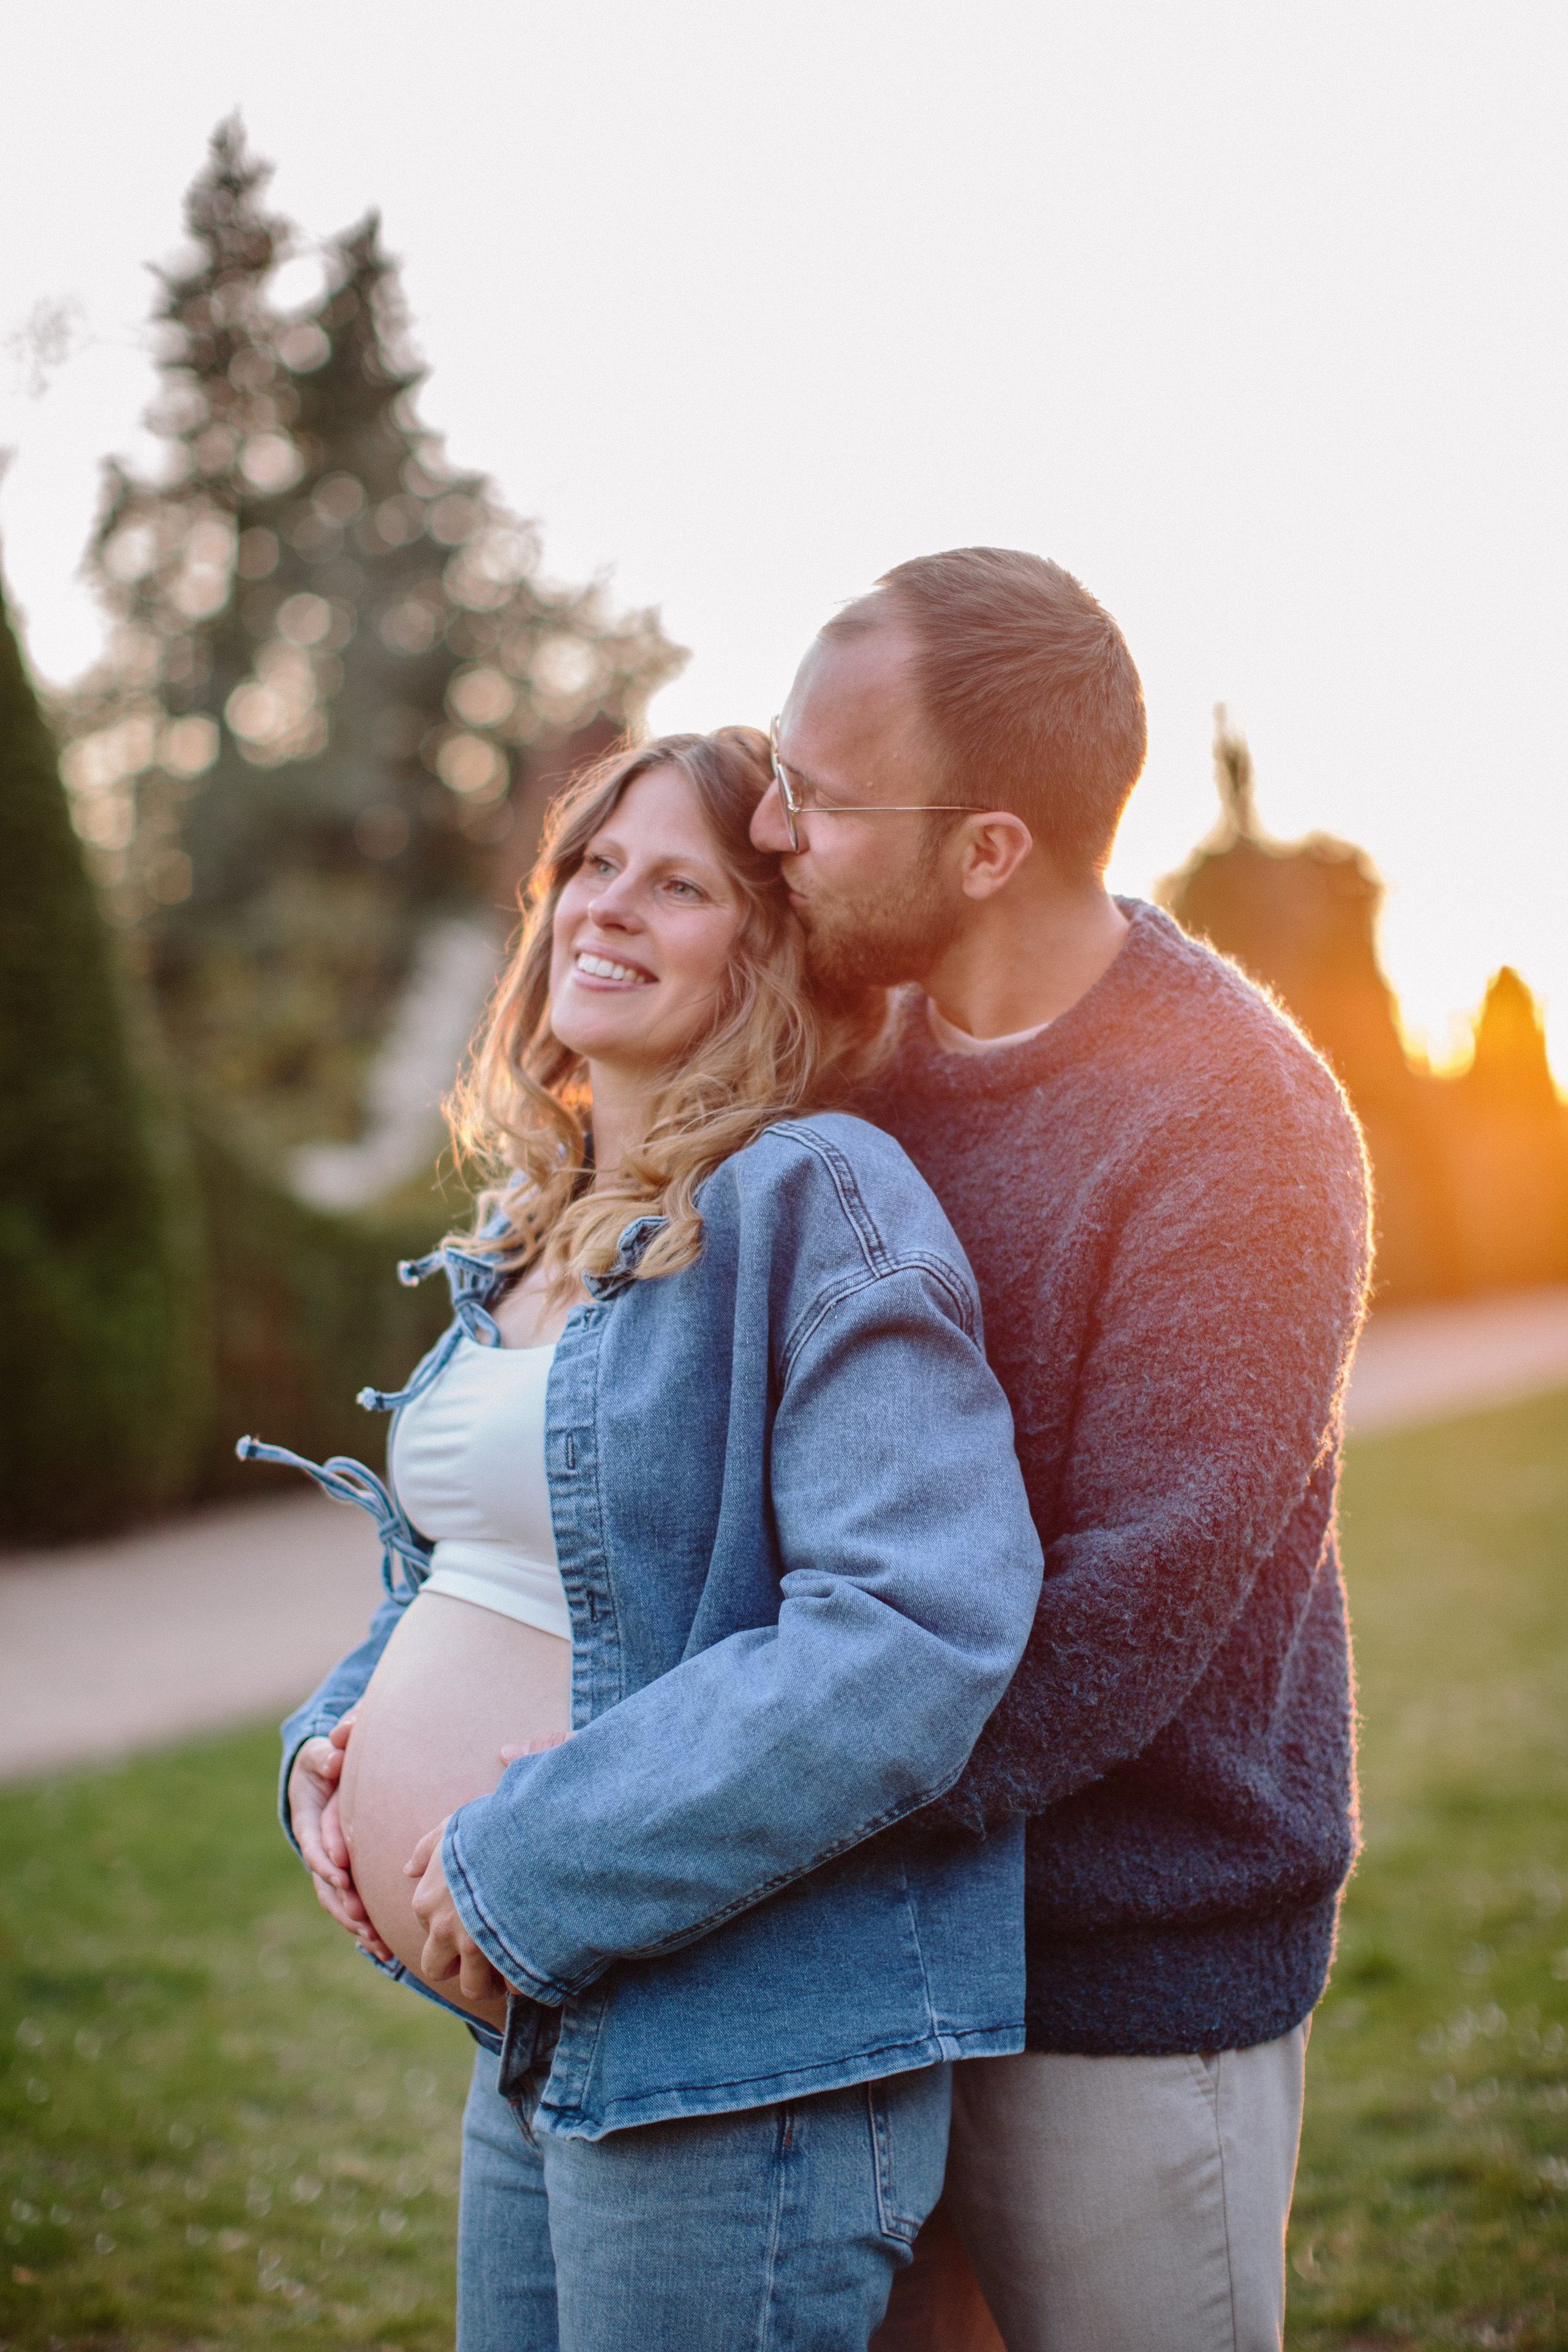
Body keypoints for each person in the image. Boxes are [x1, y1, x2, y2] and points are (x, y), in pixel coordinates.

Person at [252, 726, 1045, 2352]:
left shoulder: (819, 1197)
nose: (603, 910)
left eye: (676, 883)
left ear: (762, 955)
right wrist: (336, 1734)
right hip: (545, 2028)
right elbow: (494, 1578)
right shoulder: (525, 1236)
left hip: (731, 2050)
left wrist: (528, 1854)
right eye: (590, 867)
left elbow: (911, 1634)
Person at [752, 549, 1373, 2352]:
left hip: (1123, 1973)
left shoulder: (1236, 1119)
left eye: (821, 794)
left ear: (990, 845)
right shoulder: (850, 1074)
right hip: (854, 1960)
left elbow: (1128, 1614)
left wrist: (744, 1820)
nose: (777, 831)